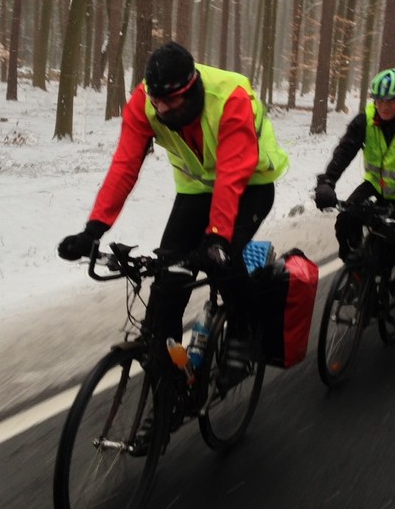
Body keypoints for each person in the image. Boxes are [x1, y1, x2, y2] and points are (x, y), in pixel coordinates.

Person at [57, 41, 290, 358]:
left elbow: (232, 173)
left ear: (192, 89)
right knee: (169, 277)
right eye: (157, 101)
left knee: (225, 261)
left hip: (250, 185)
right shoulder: (144, 102)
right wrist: (93, 230)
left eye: (172, 101)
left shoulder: (230, 97)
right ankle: (168, 373)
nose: (163, 109)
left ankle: (247, 326)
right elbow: (124, 166)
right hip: (195, 191)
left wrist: (217, 237)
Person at [313, 67, 395, 331]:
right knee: (346, 220)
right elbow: (345, 151)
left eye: (389, 101)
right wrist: (327, 182)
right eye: (378, 100)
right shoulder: (366, 119)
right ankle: (359, 276)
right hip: (377, 186)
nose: (382, 106)